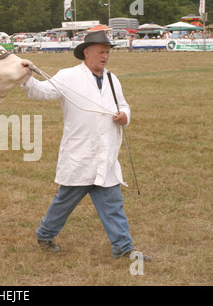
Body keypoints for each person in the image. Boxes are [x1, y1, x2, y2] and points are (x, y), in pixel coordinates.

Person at [21, 31, 150, 261]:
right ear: (87, 52)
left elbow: (124, 105)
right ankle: (45, 234)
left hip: (105, 155)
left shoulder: (112, 79)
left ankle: (123, 247)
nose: (105, 57)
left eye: (107, 52)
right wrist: (25, 76)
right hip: (79, 155)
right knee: (64, 202)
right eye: (101, 52)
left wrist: (124, 115)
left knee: (113, 204)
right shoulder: (68, 76)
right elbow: (40, 91)